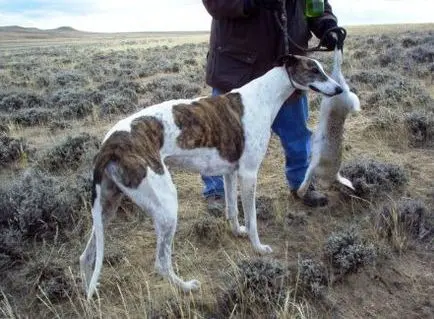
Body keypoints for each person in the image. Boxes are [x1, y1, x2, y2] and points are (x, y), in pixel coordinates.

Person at [201, 0, 343, 213]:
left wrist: (326, 25)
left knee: (297, 135)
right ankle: (216, 192)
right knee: (222, 134)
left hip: (287, 69)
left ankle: (302, 184)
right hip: (236, 67)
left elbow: (316, 5)